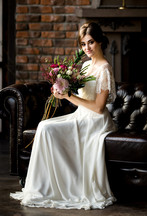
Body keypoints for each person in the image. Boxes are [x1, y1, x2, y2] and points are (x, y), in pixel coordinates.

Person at [10, 22, 117, 210]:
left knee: (47, 128)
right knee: (44, 126)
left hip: (95, 121)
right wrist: (61, 91)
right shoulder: (84, 66)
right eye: (83, 44)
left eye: (90, 42)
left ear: (100, 41)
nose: (87, 48)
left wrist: (70, 95)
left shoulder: (105, 68)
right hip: (80, 115)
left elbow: (99, 108)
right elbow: (78, 99)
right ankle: (43, 187)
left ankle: (66, 188)